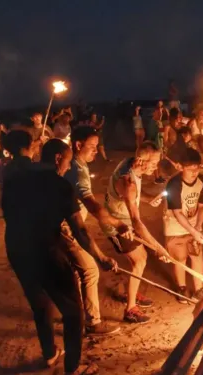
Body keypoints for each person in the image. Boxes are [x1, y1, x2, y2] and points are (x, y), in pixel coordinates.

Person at [1, 129, 117, 375]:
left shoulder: (14, 178)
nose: (67, 166)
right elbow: (81, 230)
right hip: (46, 251)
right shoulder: (59, 185)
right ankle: (73, 367)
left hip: (17, 248)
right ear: (57, 159)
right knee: (73, 311)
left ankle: (50, 354)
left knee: (40, 304)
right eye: (66, 160)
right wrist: (100, 257)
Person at [62, 126, 128, 334]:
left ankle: (78, 316)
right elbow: (92, 205)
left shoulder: (77, 165)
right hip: (65, 226)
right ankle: (92, 322)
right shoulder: (76, 171)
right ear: (78, 144)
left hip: (68, 224)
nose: (96, 151)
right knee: (90, 270)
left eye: (97, 146)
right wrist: (117, 224)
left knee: (77, 270)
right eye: (91, 146)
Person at [105, 141, 171, 323]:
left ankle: (130, 292)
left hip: (124, 219)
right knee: (140, 260)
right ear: (141, 161)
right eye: (153, 163)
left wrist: (148, 199)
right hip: (118, 226)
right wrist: (158, 247)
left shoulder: (130, 163)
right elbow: (136, 221)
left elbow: (131, 198)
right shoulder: (128, 182)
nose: (156, 167)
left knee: (139, 260)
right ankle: (130, 309)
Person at [163, 148, 203, 302]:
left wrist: (197, 227)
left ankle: (199, 289)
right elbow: (177, 212)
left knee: (196, 254)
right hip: (175, 226)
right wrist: (192, 230)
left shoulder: (201, 182)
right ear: (181, 167)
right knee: (180, 257)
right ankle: (182, 288)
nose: (194, 173)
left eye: (197, 168)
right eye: (190, 169)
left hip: (193, 225)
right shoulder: (174, 184)